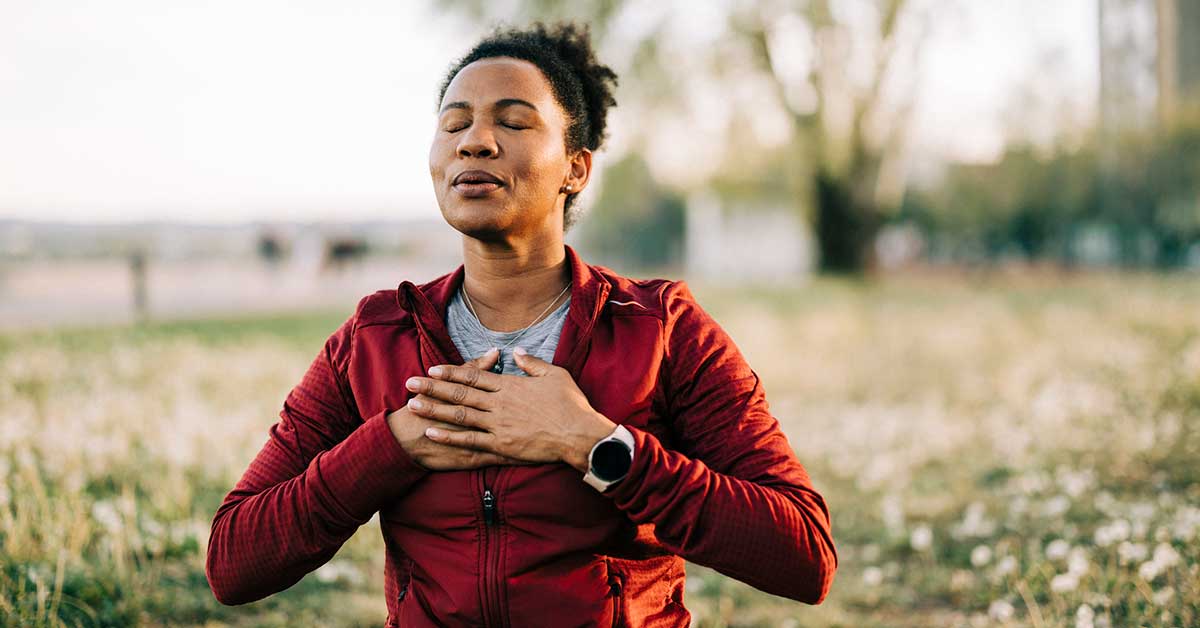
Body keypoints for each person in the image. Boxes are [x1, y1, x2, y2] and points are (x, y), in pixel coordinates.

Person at [205, 21, 837, 627]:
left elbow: (804, 556)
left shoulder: (661, 330)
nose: (473, 141)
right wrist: (391, 445)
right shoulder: (374, 339)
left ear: (575, 168)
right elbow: (233, 563)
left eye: (513, 121)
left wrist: (593, 444)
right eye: (454, 124)